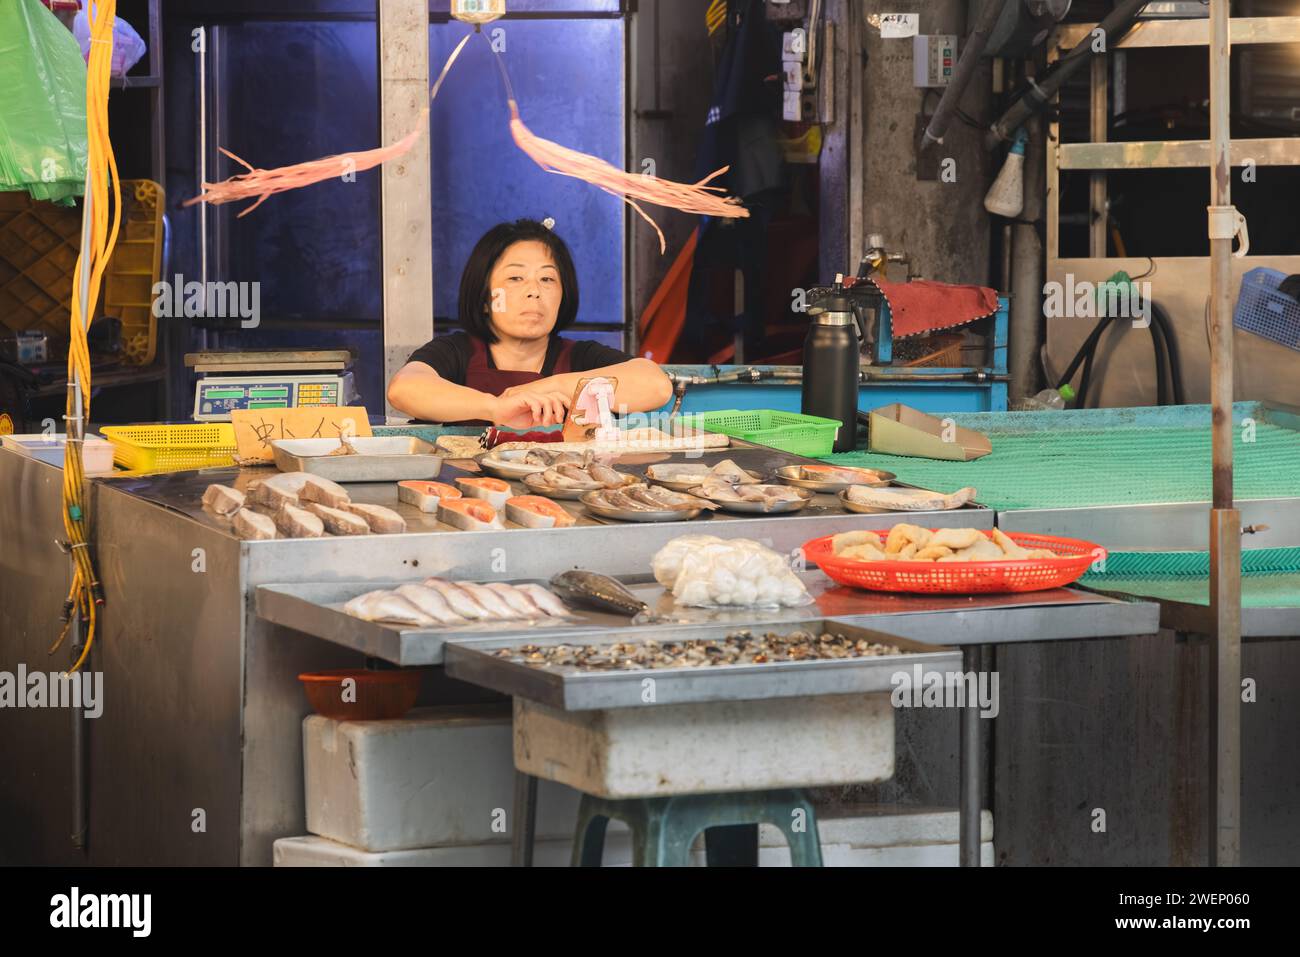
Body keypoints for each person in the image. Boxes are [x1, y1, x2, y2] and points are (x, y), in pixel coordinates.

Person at [387, 219, 673, 428]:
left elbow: (655, 384)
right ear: (485, 297)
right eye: (515, 278)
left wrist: (553, 387)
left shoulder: (580, 358)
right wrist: (495, 407)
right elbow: (404, 389)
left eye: (547, 279)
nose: (534, 290)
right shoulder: (455, 352)